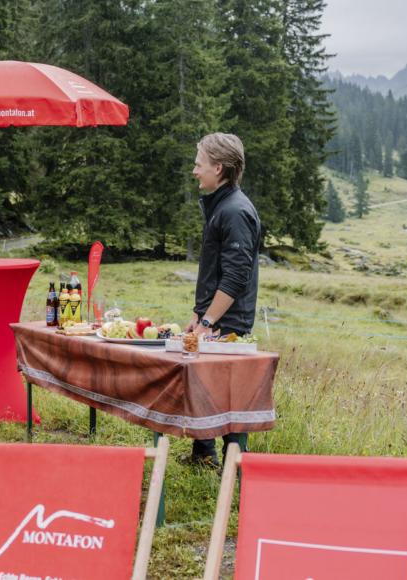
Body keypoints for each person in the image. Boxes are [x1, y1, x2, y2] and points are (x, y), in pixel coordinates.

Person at [187, 133, 262, 466]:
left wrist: (208, 321)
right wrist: (197, 313)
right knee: (204, 385)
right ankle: (204, 454)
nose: (194, 171)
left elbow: (235, 277)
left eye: (199, 164)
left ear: (218, 168)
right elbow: (215, 271)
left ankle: (238, 468)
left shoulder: (235, 212)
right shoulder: (222, 206)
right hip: (214, 316)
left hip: (228, 320)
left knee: (229, 394)